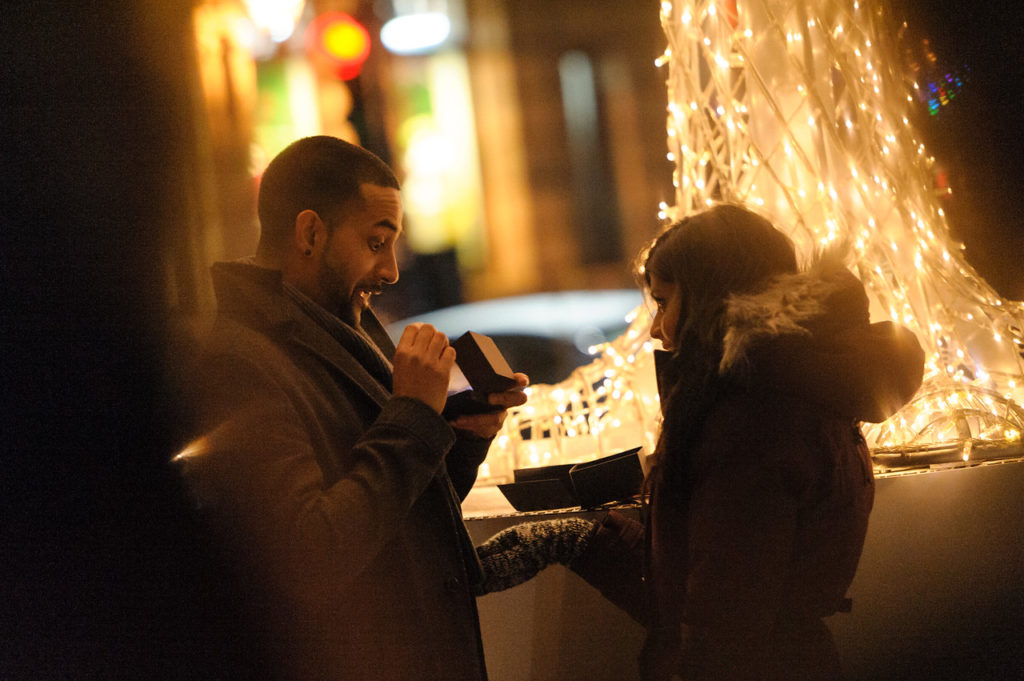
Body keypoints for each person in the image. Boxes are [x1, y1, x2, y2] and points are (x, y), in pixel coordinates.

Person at [475, 204, 924, 681]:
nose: (655, 327)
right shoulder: (782, 397)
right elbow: (696, 584)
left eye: (664, 302)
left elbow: (724, 628)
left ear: (709, 296)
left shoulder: (752, 422)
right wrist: (575, 541)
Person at [173, 135, 528, 681]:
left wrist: (462, 436)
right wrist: (412, 416)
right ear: (310, 232)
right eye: (374, 242)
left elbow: (404, 518)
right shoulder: (240, 363)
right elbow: (310, 553)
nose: (390, 271)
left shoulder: (344, 328)